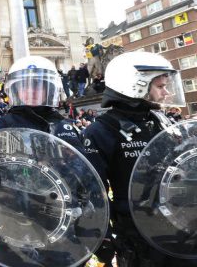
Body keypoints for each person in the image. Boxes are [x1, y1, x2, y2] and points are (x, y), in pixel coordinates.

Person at [81, 51, 193, 267]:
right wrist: (100, 236)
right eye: (160, 86)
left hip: (182, 228)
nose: (166, 92)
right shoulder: (102, 130)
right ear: (136, 85)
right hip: (140, 238)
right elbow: (93, 191)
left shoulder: (162, 121)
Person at [0, 55, 86, 267]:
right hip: (15, 229)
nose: (31, 92)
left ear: (50, 89)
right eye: (25, 87)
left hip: (62, 229)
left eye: (38, 86)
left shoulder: (66, 127)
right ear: (15, 91)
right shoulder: (0, 129)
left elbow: (84, 174)